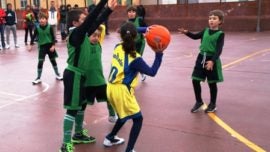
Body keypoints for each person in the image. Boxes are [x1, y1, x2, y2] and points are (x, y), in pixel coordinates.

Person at [59, 0, 117, 151]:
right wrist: (103, 3)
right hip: (74, 74)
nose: (86, 22)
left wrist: (108, 10)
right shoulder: (76, 34)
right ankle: (65, 144)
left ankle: (78, 134)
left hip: (80, 75)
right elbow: (92, 19)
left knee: (80, 105)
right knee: (72, 109)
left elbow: (95, 21)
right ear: (75, 22)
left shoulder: (82, 33)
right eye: (83, 20)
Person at [103, 22, 165, 152]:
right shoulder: (135, 58)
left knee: (123, 115)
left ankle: (110, 137)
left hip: (110, 88)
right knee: (138, 119)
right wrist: (159, 54)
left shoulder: (117, 47)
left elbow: (124, 30)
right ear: (136, 37)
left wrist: (145, 29)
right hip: (122, 91)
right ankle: (129, 149)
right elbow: (152, 72)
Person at [178, 9, 225, 113]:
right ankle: (199, 102)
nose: (211, 20)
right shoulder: (205, 31)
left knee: (212, 83)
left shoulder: (220, 34)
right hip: (201, 58)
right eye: (210, 18)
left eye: (214, 18)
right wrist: (187, 33)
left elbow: (219, 50)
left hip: (212, 59)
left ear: (220, 21)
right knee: (195, 80)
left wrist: (212, 61)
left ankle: (213, 104)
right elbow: (195, 37)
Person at [85, 25, 117, 123]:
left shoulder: (99, 44)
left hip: (99, 79)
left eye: (98, 36)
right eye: (93, 36)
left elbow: (102, 27)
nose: (96, 38)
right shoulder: (85, 45)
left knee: (108, 97)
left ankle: (112, 115)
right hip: (87, 81)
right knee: (82, 103)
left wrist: (96, 25)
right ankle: (79, 121)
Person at [28, 12, 63, 85]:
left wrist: (53, 46)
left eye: (43, 19)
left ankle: (57, 74)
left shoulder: (49, 27)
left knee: (53, 61)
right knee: (40, 62)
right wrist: (30, 45)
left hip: (50, 46)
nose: (41, 20)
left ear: (46, 20)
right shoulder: (37, 28)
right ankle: (38, 78)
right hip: (42, 47)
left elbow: (53, 38)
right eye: (40, 19)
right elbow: (33, 37)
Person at [126, 6, 147, 81]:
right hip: (131, 44)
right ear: (127, 13)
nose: (131, 13)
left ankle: (137, 75)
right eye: (129, 12)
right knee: (131, 59)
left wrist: (145, 33)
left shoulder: (140, 20)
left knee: (137, 59)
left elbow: (146, 29)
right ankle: (140, 73)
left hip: (140, 43)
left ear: (136, 13)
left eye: (133, 12)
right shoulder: (126, 22)